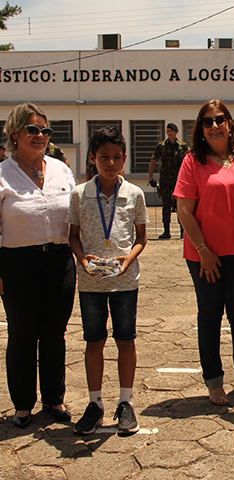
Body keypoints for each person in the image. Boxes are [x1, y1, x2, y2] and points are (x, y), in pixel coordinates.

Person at [174, 99, 234, 406]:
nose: (215, 126)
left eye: (220, 119)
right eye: (208, 121)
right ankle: (214, 380)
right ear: (201, 129)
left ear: (230, 124)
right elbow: (184, 211)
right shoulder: (192, 162)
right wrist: (203, 250)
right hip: (204, 255)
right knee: (211, 315)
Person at [68, 127, 149, 435]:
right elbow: (73, 237)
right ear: (92, 158)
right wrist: (83, 259)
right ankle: (95, 403)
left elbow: (141, 238)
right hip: (90, 284)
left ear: (125, 159)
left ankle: (126, 402)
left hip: (125, 282)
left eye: (117, 157)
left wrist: (129, 258)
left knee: (126, 339)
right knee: (94, 341)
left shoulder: (134, 194)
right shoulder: (79, 194)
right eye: (104, 157)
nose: (111, 163)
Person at [0, 103, 76, 428]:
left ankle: (54, 400)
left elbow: (76, 216)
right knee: (22, 333)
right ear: (15, 133)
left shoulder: (61, 169)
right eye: (33, 130)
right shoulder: (3, 173)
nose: (41, 136)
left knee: (54, 333)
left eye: (46, 130)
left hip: (59, 260)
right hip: (17, 264)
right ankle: (22, 405)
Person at [148, 123, 189, 239]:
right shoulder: (161, 146)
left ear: (176, 132)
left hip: (179, 180)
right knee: (166, 205)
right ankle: (166, 231)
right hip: (165, 180)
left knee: (180, 205)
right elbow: (153, 161)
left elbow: (190, 162)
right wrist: (150, 178)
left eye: (171, 131)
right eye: (168, 131)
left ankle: (183, 230)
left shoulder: (183, 146)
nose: (169, 133)